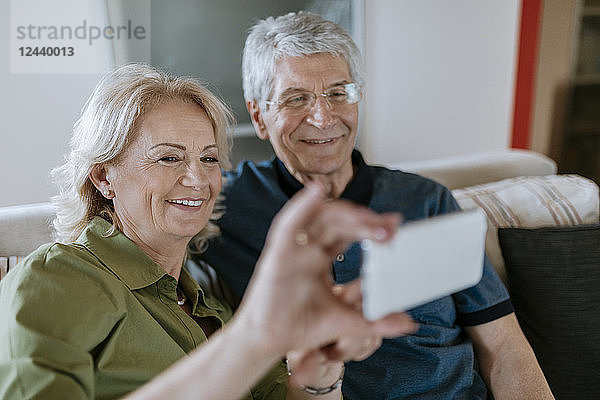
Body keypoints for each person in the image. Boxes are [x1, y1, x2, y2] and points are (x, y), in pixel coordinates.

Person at [0, 63, 416, 400]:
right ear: (104, 177)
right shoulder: (55, 279)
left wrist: (321, 369)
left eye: (210, 158)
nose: (197, 179)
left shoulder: (210, 308)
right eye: (168, 158)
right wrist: (253, 340)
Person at [197, 12, 555, 400]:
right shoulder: (223, 202)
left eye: (338, 93)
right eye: (296, 98)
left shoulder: (426, 200)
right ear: (259, 117)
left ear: (358, 99)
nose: (322, 117)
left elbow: (503, 347)